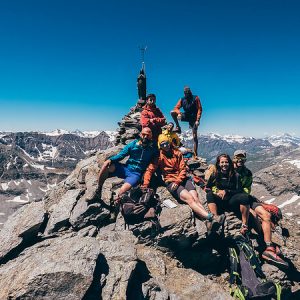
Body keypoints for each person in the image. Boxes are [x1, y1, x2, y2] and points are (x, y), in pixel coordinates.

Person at [142, 134, 225, 233]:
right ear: (160, 145)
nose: (165, 146)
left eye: (167, 143)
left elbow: (183, 169)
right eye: (163, 144)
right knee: (189, 199)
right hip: (170, 181)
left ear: (169, 142)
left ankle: (206, 221)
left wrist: (178, 181)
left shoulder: (177, 153)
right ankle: (210, 218)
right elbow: (150, 170)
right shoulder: (159, 156)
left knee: (195, 198)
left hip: (183, 179)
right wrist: (145, 185)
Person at [233, 150, 288, 268]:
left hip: (247, 198)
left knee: (266, 216)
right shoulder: (229, 171)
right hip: (236, 199)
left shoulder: (247, 173)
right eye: (238, 158)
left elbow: (247, 189)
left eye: (242, 158)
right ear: (234, 158)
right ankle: (265, 243)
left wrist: (245, 194)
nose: (240, 161)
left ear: (245, 160)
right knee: (253, 216)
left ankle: (269, 246)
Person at [97, 127, 158, 201]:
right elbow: (121, 155)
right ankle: (99, 189)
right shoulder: (133, 144)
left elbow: (154, 162)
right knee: (106, 165)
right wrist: (110, 160)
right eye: (143, 134)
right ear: (141, 134)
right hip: (126, 168)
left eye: (148, 135)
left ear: (151, 136)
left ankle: (117, 202)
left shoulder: (153, 147)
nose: (145, 137)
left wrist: (146, 180)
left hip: (136, 174)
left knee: (122, 190)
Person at [206, 154, 251, 235]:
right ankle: (215, 219)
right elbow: (207, 187)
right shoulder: (215, 174)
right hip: (220, 200)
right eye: (222, 162)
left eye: (226, 162)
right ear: (218, 164)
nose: (224, 164)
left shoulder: (235, 175)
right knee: (209, 194)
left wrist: (227, 191)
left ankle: (245, 225)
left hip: (231, 201)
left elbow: (239, 190)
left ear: (229, 163)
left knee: (245, 197)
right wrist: (216, 192)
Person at [171, 86, 202, 157]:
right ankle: (178, 127)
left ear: (190, 92)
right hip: (186, 115)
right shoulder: (182, 99)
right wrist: (178, 113)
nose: (187, 94)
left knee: (194, 136)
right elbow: (176, 108)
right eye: (185, 92)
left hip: (194, 118)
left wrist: (197, 120)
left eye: (188, 92)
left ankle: (195, 154)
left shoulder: (195, 98)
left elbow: (199, 109)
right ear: (184, 93)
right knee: (172, 112)